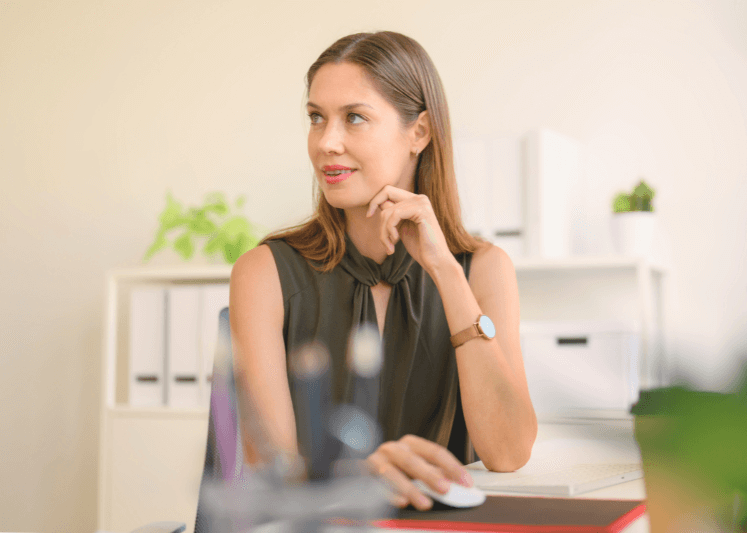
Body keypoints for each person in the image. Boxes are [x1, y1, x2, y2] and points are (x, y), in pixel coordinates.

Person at [229, 30, 537, 512]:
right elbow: (271, 468)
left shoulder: (484, 269)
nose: (327, 142)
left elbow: (509, 452)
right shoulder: (264, 273)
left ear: (419, 132)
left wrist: (446, 272)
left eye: (354, 118)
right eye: (316, 118)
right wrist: (362, 472)